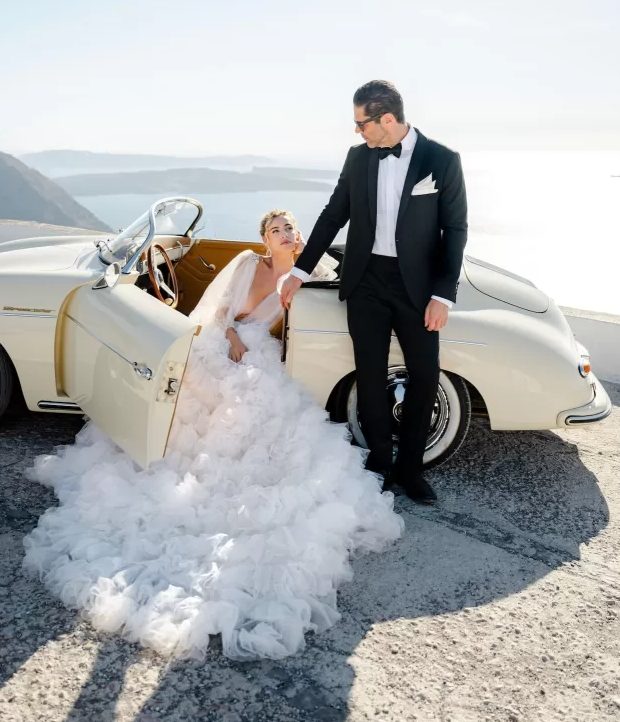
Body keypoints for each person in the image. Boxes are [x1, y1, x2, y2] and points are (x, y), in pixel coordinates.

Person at [23, 210, 402, 661]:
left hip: (260, 346)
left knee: (262, 398)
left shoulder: (312, 271)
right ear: (264, 239)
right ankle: (200, 466)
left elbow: (351, 274)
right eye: (276, 229)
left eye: (291, 228)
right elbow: (218, 311)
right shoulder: (246, 263)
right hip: (223, 339)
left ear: (299, 237)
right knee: (219, 388)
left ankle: (252, 478)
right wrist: (231, 339)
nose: (286, 233)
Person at [281, 80, 468, 505]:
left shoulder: (442, 159)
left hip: (417, 288)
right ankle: (381, 463)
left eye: (360, 123)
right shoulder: (358, 157)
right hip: (366, 281)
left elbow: (455, 229)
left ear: (387, 119)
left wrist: (443, 295)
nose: (356, 131)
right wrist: (299, 270)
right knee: (369, 375)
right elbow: (333, 215)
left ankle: (411, 469)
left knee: (424, 377)